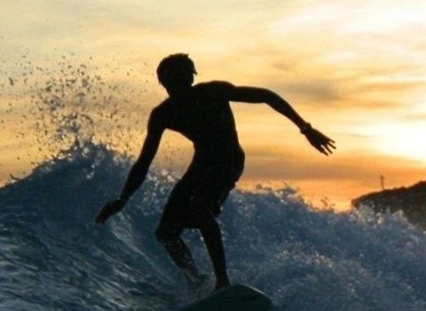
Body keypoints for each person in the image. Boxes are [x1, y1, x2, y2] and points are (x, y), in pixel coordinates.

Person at [96, 53, 335, 290]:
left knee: (199, 206)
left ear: (190, 78)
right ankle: (196, 279)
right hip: (201, 164)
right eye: (171, 81)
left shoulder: (213, 92)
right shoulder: (164, 114)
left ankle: (222, 280)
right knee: (165, 232)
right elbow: (144, 161)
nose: (177, 86)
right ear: (163, 83)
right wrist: (123, 198)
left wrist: (305, 128)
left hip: (229, 159)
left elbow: (265, 96)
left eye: (183, 78)